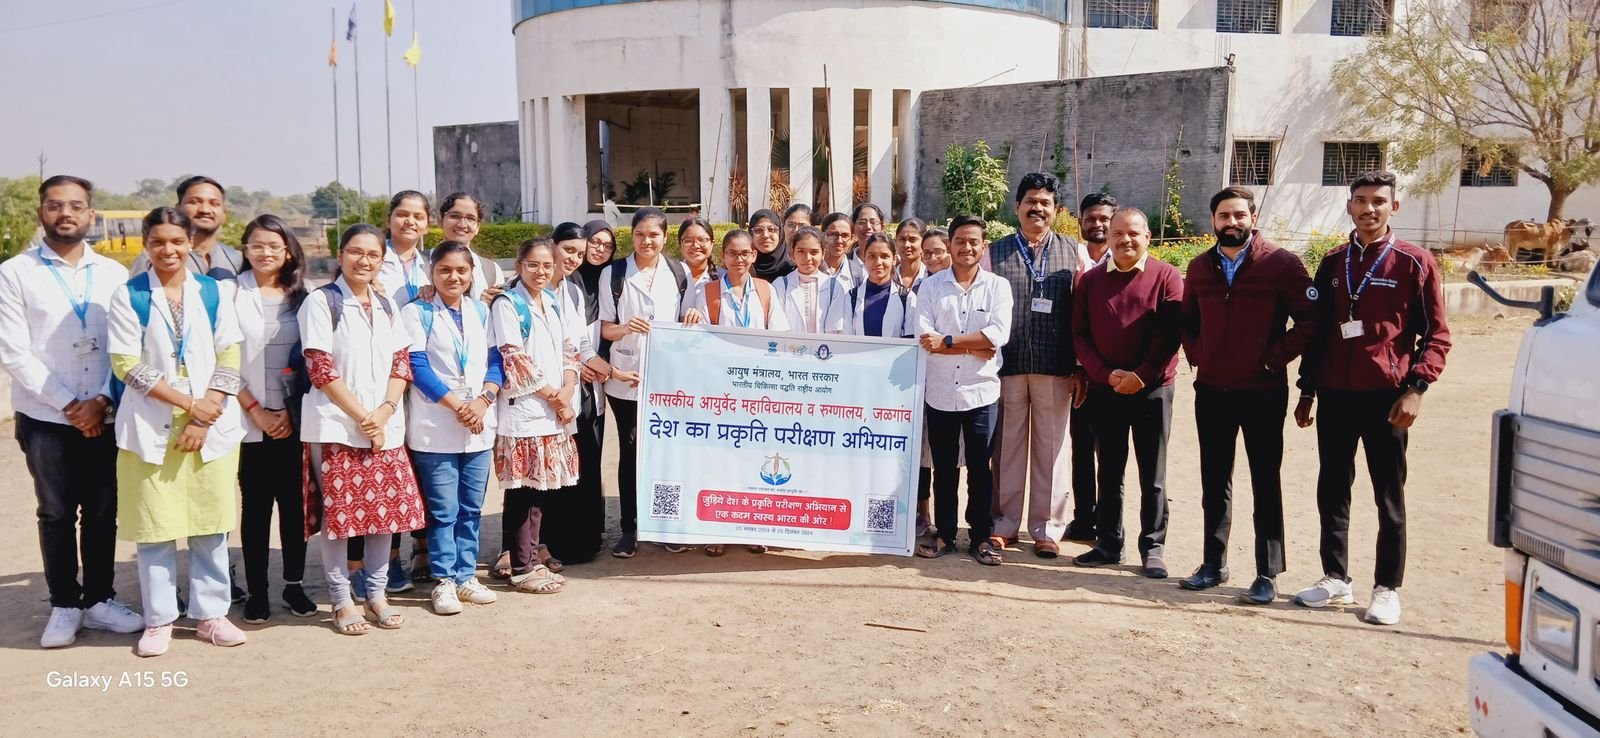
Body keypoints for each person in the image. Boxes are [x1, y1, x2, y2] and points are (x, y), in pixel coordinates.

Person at [1291, 170, 1451, 626]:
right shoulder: (1333, 261)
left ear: (1394, 207)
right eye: (1360, 200)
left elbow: (1437, 335)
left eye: (1378, 201)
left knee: (1388, 495)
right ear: (1349, 206)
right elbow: (1319, 332)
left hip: (1387, 399)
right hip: (1335, 395)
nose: (1369, 209)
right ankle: (1335, 578)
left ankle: (1387, 588)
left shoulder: (1414, 262)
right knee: (1332, 488)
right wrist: (1307, 389)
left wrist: (1417, 389)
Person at [0, 175, 143, 648]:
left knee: (103, 511)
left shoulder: (112, 274)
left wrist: (101, 400)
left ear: (90, 215)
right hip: (45, 416)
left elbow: (127, 345)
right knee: (56, 512)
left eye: (76, 206)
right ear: (41, 212)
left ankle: (100, 600)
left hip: (104, 412)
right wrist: (69, 404)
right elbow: (14, 351)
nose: (66, 214)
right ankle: (65, 604)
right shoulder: (14, 273)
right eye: (56, 205)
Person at [109, 206, 249, 657]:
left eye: (176, 241)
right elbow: (126, 364)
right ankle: (159, 619)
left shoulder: (213, 292)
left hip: (211, 425)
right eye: (157, 242)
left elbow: (230, 353)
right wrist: (190, 406)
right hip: (151, 427)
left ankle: (211, 615)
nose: (167, 250)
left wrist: (204, 417)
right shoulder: (129, 295)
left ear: (190, 243)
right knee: (156, 528)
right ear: (145, 244)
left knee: (210, 525)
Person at [1178, 187, 1318, 604]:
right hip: (1212, 392)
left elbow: (1310, 321)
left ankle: (1266, 573)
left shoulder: (1281, 263)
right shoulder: (1199, 267)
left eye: (1239, 215)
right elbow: (1187, 321)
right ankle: (1213, 564)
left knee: (1265, 481)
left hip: (1263, 392)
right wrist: (1199, 354)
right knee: (1214, 480)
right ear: (1213, 221)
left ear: (1253, 218)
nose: (1232, 222)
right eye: (1224, 215)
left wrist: (1273, 359)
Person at [299, 224, 425, 635]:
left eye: (373, 255)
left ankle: (376, 594)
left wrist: (385, 411)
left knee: (384, 516)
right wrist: (363, 417)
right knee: (339, 519)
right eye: (356, 252)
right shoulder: (321, 302)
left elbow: (401, 363)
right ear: (340, 255)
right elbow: (320, 367)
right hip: (336, 427)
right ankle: (340, 600)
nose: (364, 260)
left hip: (385, 426)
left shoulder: (386, 305)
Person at [1071, 207, 1183, 579]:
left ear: (1147, 237)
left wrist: (1141, 375)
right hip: (1106, 389)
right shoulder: (1090, 281)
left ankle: (1153, 547)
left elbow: (1170, 334)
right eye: (1117, 233)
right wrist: (1104, 374)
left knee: (1153, 473)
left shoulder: (1166, 276)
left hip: (1153, 389)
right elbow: (1080, 335)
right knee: (1109, 470)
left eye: (1133, 233)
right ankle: (1108, 543)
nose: (1125, 240)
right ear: (1109, 238)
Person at [988, 173, 1093, 559]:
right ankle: (1004, 524)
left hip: (1056, 365)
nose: (1037, 208)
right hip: (1008, 365)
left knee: (1052, 448)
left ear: (1056, 209)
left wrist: (1081, 365)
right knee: (1007, 448)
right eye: (1030, 201)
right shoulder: (994, 253)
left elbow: (1085, 312)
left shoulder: (1075, 251)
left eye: (1045, 202)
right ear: (1017, 207)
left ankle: (1048, 528)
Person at [403, 242, 504, 615]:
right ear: (431, 273)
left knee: (471, 508)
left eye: (461, 270)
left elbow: (496, 361)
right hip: (437, 425)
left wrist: (484, 400)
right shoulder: (417, 312)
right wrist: (458, 405)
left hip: (478, 423)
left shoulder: (481, 310)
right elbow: (417, 366)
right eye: (444, 270)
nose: (453, 277)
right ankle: (444, 579)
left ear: (471, 274)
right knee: (443, 510)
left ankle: (466, 576)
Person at [912, 215, 1011, 566]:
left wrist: (950, 342)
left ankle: (981, 536)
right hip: (940, 392)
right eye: (960, 241)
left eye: (973, 242)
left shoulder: (998, 287)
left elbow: (997, 336)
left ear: (984, 247)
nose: (966, 248)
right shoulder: (931, 287)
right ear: (949, 245)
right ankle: (946, 533)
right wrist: (974, 346)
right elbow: (927, 339)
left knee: (981, 468)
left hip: (981, 393)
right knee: (944, 468)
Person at [232, 215, 318, 623]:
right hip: (249, 418)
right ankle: (258, 592)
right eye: (257, 245)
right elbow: (221, 359)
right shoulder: (230, 293)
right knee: (255, 509)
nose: (265, 252)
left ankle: (293, 585)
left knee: (295, 507)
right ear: (245, 249)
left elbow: (314, 358)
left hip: (294, 418)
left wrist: (285, 409)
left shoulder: (306, 295)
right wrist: (256, 411)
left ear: (288, 252)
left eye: (274, 246)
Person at [598, 207, 690, 557]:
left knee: (668, 452)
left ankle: (666, 524)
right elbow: (605, 328)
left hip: (668, 379)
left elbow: (687, 323)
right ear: (631, 236)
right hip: (627, 378)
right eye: (640, 234)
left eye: (654, 235)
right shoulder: (615, 274)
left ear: (665, 237)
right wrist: (626, 328)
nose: (646, 241)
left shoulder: (679, 272)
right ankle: (630, 528)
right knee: (631, 451)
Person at [492, 238, 579, 594]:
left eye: (547, 265)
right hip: (525, 410)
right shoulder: (507, 304)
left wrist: (568, 388)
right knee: (522, 492)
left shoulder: (554, 301)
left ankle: (531, 558)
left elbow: (570, 349)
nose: (540, 271)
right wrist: (555, 398)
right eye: (533, 265)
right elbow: (514, 359)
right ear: (519, 266)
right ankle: (521, 567)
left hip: (553, 410)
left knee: (540, 490)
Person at [371, 190, 431, 594]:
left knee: (424, 465)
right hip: (386, 377)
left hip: (426, 378)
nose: (410, 222)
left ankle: (422, 548)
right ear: (390, 218)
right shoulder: (375, 260)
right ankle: (389, 559)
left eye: (418, 216)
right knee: (392, 468)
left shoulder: (433, 263)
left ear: (427, 222)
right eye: (402, 214)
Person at [549, 222, 613, 565]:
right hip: (554, 390)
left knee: (586, 461)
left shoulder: (592, 286)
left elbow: (584, 341)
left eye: (607, 245)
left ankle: (584, 539)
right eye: (592, 244)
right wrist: (577, 369)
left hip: (586, 386)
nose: (597, 251)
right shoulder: (546, 282)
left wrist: (603, 368)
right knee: (552, 468)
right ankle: (543, 544)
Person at [1066, 193, 1118, 545]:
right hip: (1080, 369)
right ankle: (1084, 518)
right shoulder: (1071, 257)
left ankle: (1109, 523)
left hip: (1115, 373)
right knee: (1081, 448)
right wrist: (1077, 367)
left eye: (1104, 219)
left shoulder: (1127, 258)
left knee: (1110, 453)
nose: (1097, 224)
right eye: (1090, 218)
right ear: (1080, 221)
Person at [130, 176, 244, 280]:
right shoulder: (155, 258)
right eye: (194, 202)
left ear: (224, 214)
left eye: (214, 203)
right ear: (178, 209)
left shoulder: (237, 260)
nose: (205, 210)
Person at [773, 226, 850, 335]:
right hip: (789, 344)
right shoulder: (780, 285)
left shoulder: (834, 287)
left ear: (823, 254)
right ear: (792, 254)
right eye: (801, 251)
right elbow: (778, 326)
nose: (808, 258)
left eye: (814, 252)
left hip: (824, 345)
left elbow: (836, 329)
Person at [437, 192, 508, 302]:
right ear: (441, 220)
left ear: (478, 227)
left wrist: (486, 305)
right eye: (455, 216)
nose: (462, 224)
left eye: (470, 218)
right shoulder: (421, 264)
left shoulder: (491, 270)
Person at [848, 234, 915, 339]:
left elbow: (910, 341)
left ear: (894, 260)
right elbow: (846, 340)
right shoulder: (851, 297)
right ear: (864, 259)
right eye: (872, 256)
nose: (878, 262)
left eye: (884, 256)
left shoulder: (907, 298)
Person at [819, 212, 863, 289]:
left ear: (852, 239)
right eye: (833, 234)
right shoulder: (810, 268)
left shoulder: (858, 274)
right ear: (823, 235)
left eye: (845, 236)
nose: (839, 241)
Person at [749, 209, 795, 282]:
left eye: (771, 229)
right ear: (751, 234)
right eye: (758, 230)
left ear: (780, 233)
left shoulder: (794, 270)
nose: (765, 235)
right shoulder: (743, 268)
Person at [678, 217, 720, 287]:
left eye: (702, 240)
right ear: (680, 245)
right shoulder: (669, 276)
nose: (695, 246)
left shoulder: (723, 278)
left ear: (712, 244)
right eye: (688, 241)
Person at [892, 218, 929, 292]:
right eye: (902, 239)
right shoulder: (888, 277)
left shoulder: (930, 276)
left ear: (924, 242)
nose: (906, 245)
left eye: (912, 240)